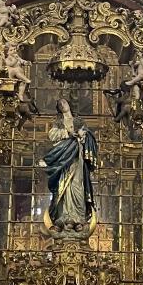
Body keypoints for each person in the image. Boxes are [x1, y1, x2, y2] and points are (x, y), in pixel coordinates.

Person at [39, 98, 98, 237]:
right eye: (60, 104)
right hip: (63, 160)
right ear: (58, 109)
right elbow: (52, 135)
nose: (62, 105)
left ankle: (78, 218)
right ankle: (64, 217)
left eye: (64, 102)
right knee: (64, 189)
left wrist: (82, 135)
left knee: (77, 186)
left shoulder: (78, 121)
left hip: (77, 158)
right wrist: (67, 133)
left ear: (69, 104)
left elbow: (87, 135)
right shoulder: (59, 122)